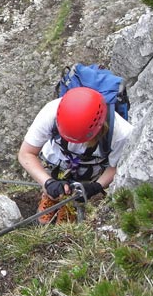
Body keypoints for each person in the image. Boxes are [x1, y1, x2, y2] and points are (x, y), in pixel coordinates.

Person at [18, 87, 133, 224]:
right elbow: (26, 153)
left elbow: (115, 167)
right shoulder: (51, 112)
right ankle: (50, 197)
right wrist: (48, 182)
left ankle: (69, 207)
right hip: (54, 160)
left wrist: (96, 186)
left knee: (75, 195)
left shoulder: (121, 133)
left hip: (91, 168)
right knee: (53, 187)